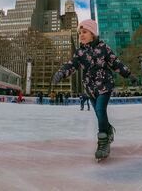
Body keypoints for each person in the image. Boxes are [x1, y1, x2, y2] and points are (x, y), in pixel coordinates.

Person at [51, 19, 136, 161]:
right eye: (79, 33)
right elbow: (71, 65)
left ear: (93, 34)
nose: (81, 35)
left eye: (84, 32)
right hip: (90, 89)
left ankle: (103, 143)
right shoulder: (79, 53)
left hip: (104, 85)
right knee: (98, 113)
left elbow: (115, 63)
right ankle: (108, 130)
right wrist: (61, 73)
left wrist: (128, 74)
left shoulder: (104, 48)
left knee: (101, 110)